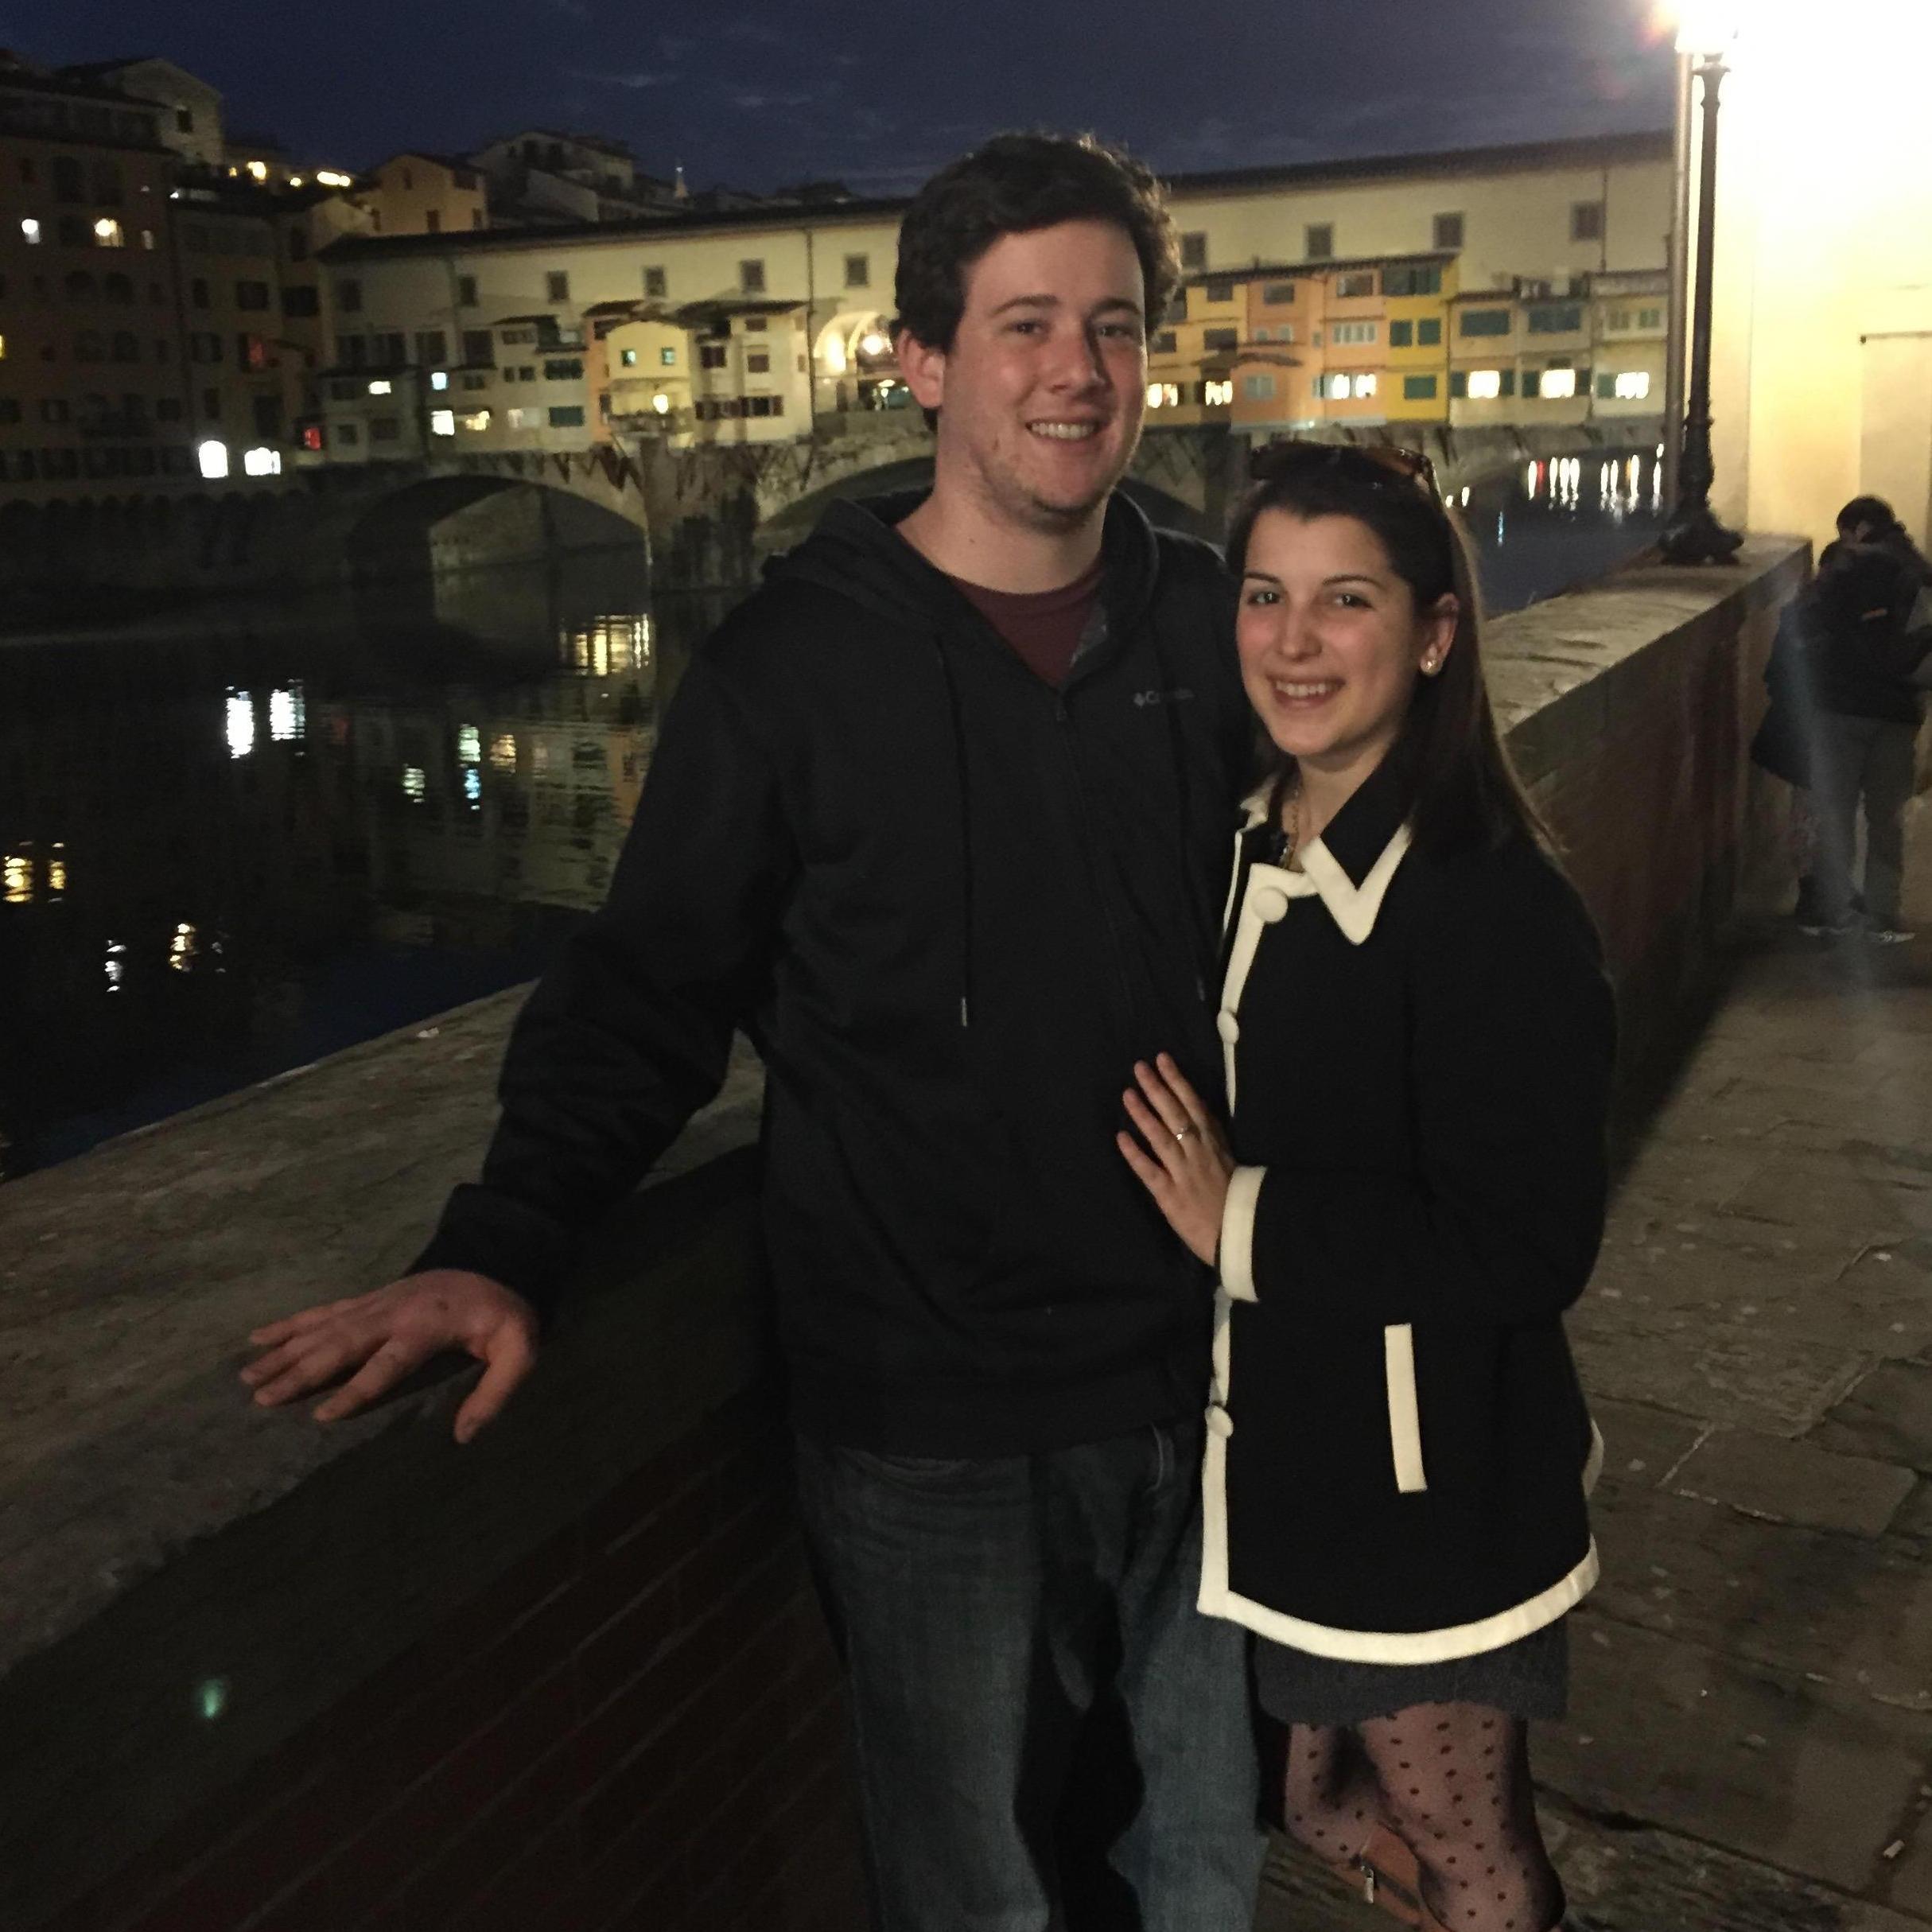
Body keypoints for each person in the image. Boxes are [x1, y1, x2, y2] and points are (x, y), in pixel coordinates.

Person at [241, 133, 1267, 1931]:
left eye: (1113, 325)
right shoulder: (792, 667)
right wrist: (504, 1249)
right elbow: (647, 994)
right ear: (923, 362)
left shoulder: (1214, 621)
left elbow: (1368, 916)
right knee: (975, 1898)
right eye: (1025, 324)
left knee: (1197, 1875)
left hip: (1213, 1379)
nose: (1078, 371)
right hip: (924, 1410)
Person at [1117, 443, 1615, 1932]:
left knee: (1472, 1854)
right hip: (1289, 1472)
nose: (1288, 640)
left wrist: (1236, 1218)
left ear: (1434, 632)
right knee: (1313, 1798)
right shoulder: (1241, 842)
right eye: (1262, 594)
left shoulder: (1487, 905)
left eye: (1343, 601)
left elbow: (1527, 1240)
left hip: (1419, 1492)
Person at [1803, 499, 1932, 943]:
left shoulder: (1846, 569)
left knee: (1835, 814)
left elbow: (1806, 618)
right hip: (1898, 711)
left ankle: (1837, 912)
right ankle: (1882, 915)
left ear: (1857, 529)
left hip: (1842, 705)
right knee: (1887, 818)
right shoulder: (1920, 570)